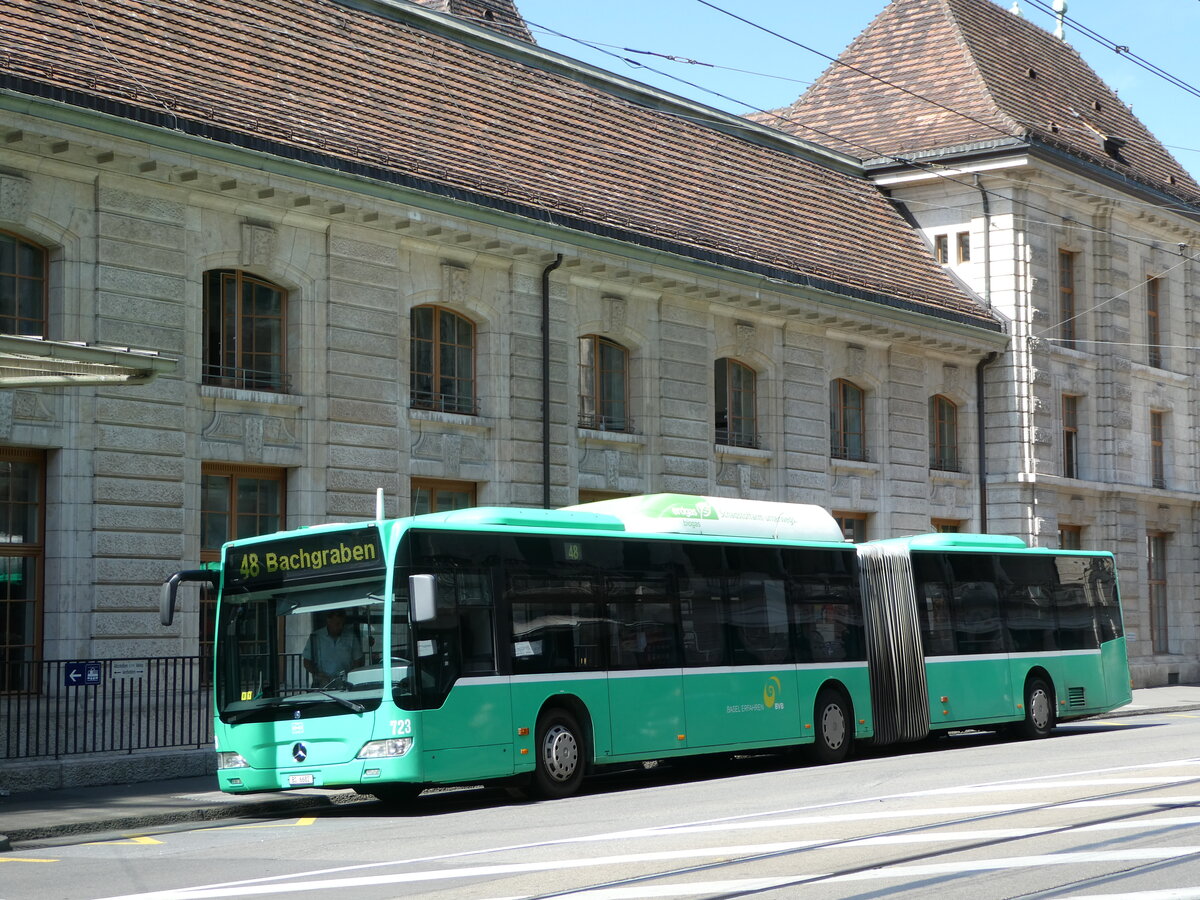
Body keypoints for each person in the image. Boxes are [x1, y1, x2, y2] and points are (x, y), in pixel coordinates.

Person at [302, 609, 363, 686]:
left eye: (342, 624)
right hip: (322, 685)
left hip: (345, 684)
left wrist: (351, 676)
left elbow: (358, 661)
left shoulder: (351, 637)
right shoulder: (316, 637)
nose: (341, 627)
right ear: (328, 621)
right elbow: (307, 662)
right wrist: (318, 674)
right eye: (337, 624)